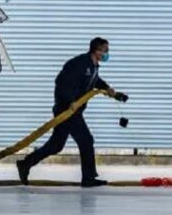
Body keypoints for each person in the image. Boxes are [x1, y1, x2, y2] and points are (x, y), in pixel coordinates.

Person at [16, 37, 128, 188]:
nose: (108, 53)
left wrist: (109, 90)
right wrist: (71, 102)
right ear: (97, 50)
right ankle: (88, 178)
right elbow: (61, 82)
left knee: (56, 145)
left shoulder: (93, 66)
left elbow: (94, 80)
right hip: (67, 110)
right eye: (106, 50)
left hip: (74, 110)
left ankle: (25, 164)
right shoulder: (79, 63)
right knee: (86, 140)